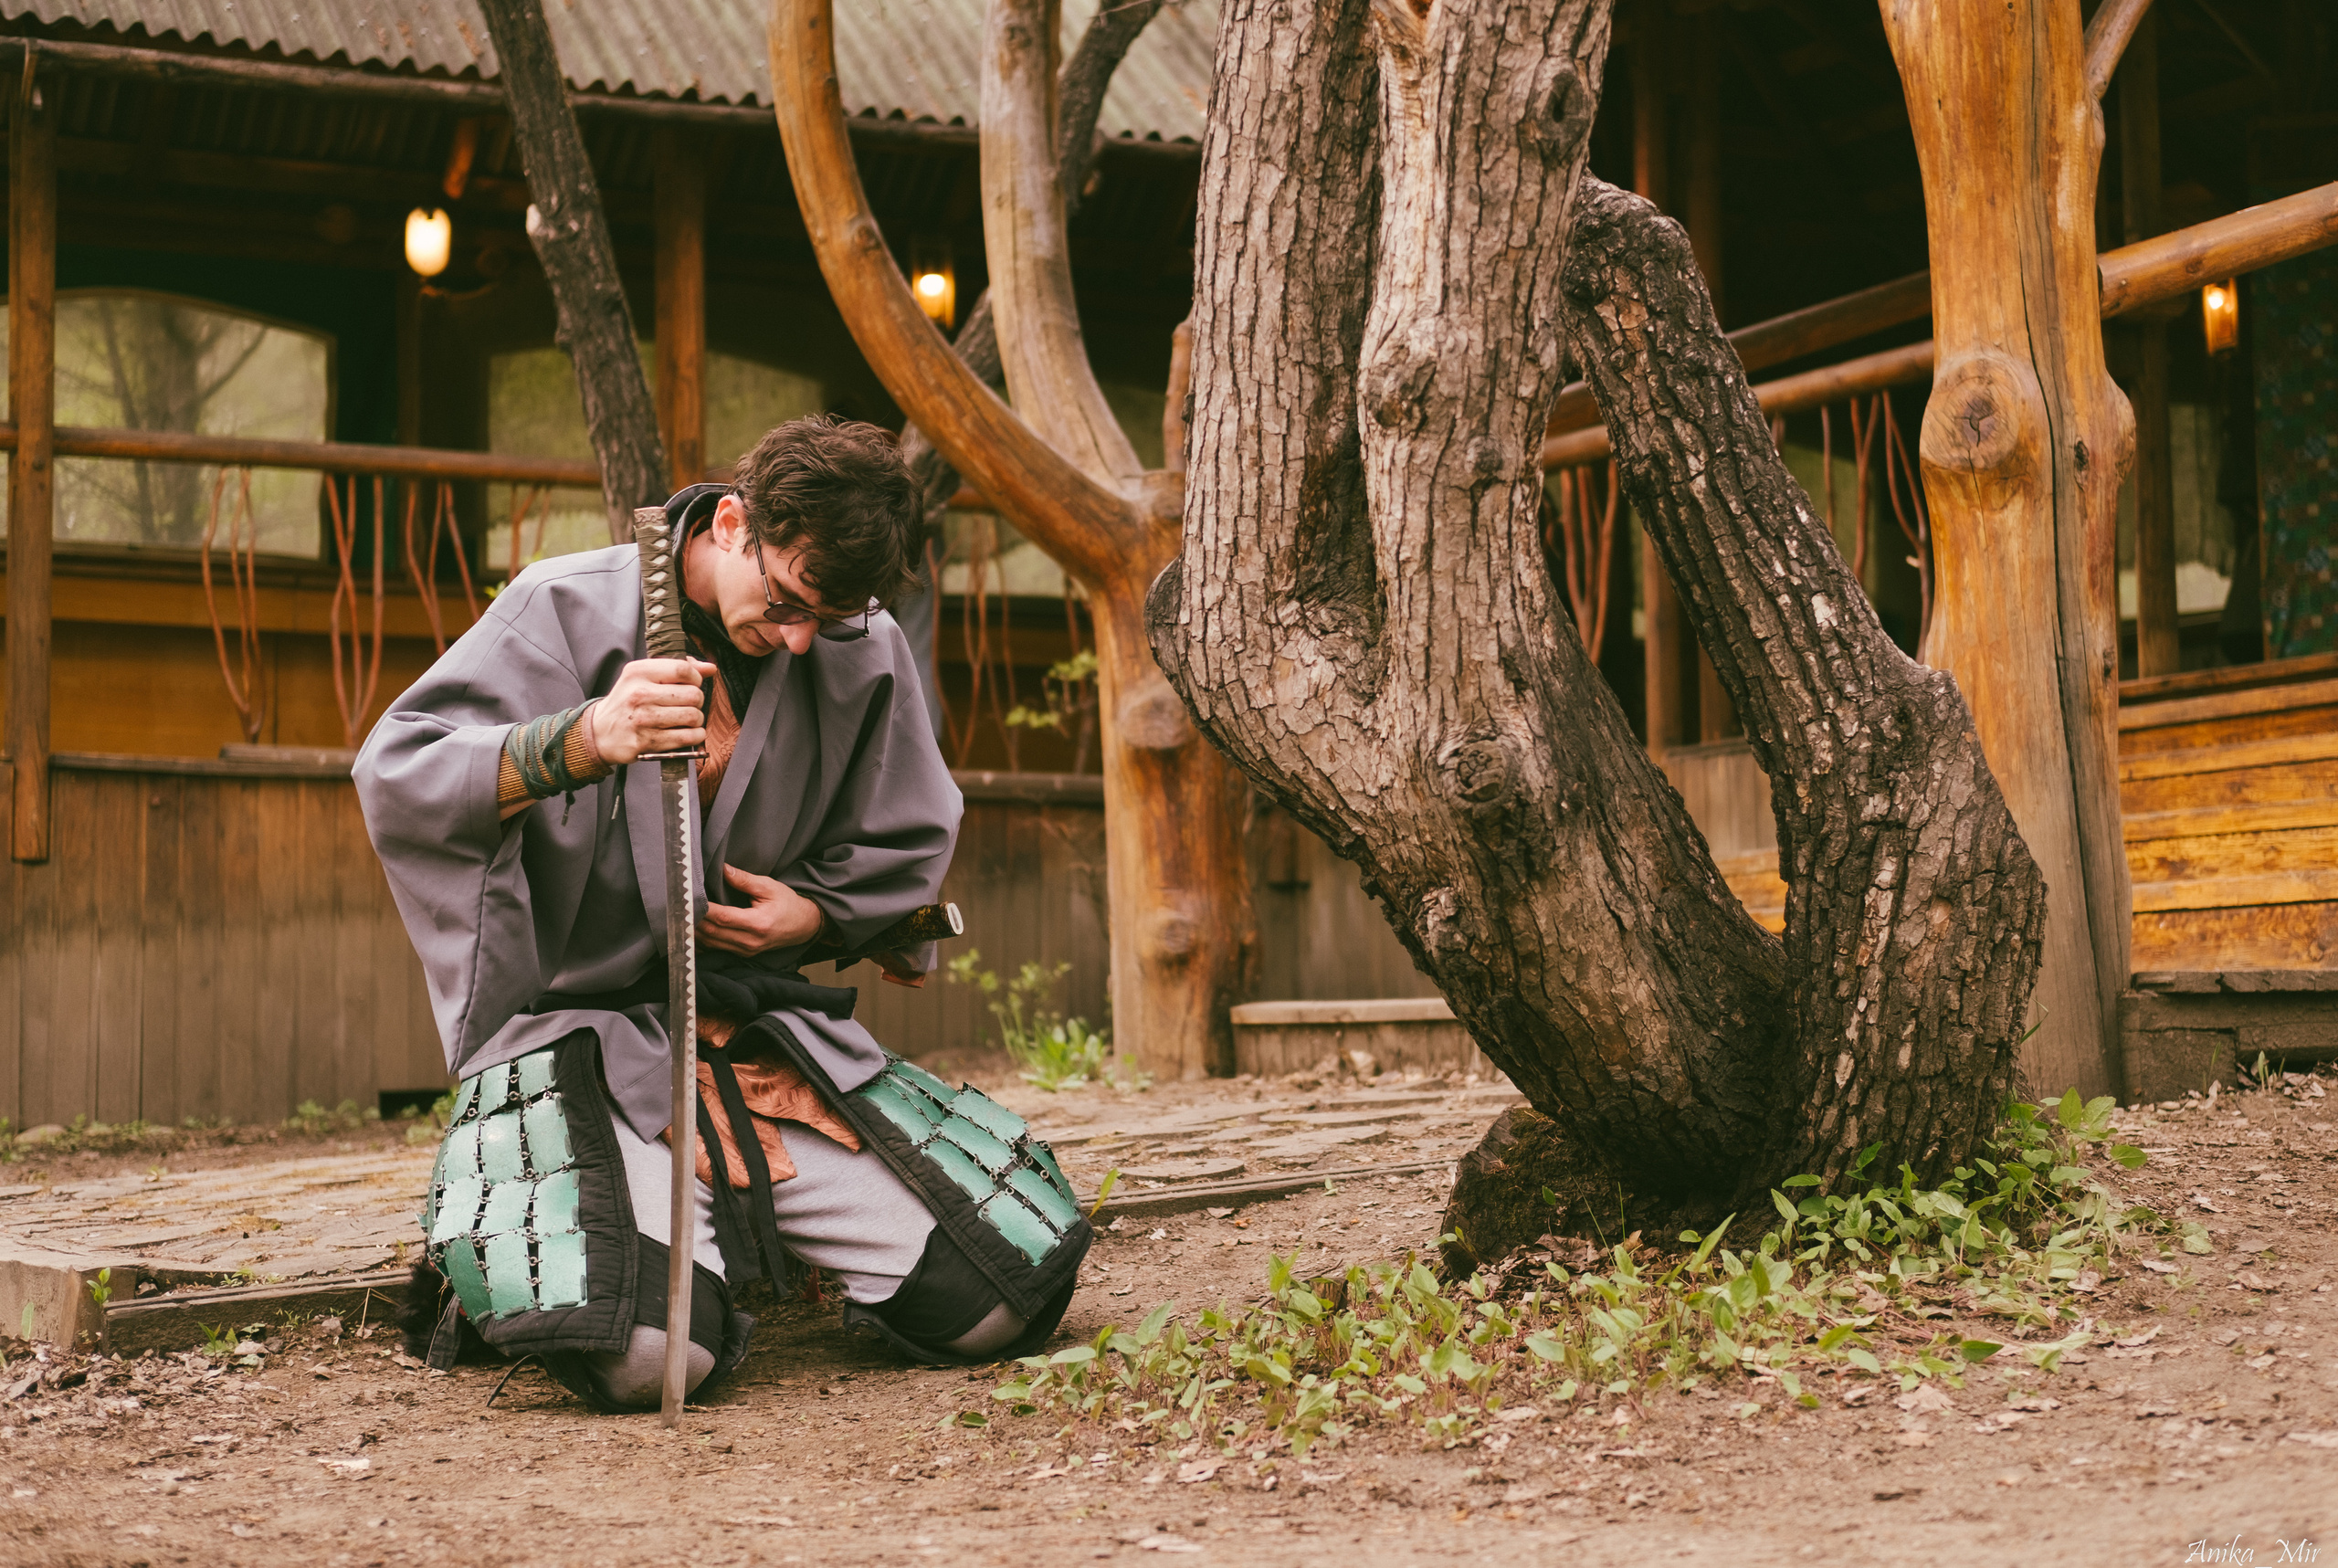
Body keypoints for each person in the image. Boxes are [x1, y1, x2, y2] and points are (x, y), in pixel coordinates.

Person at [356, 416, 1089, 1412]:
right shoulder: (560, 606)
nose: (797, 638)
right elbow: (396, 775)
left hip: (748, 1041)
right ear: (735, 520)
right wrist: (584, 737)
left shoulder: (854, 640)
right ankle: (557, 1242)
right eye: (785, 601)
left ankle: (723, 1224)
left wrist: (816, 918)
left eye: (822, 621)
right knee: (648, 1360)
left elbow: (907, 837)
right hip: (583, 1043)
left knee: (996, 1295)